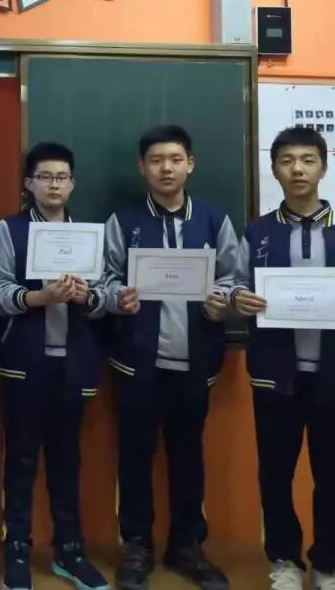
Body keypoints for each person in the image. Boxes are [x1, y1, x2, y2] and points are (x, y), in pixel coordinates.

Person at [228, 127, 335, 590]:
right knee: (275, 473)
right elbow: (233, 286)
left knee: (332, 476)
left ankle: (329, 565)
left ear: (323, 166)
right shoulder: (257, 232)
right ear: (274, 169)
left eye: (307, 160)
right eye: (286, 160)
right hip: (274, 374)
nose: (297, 169)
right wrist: (238, 298)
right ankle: (283, 561)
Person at [102, 125, 238, 590]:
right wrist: (118, 297)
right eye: (157, 160)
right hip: (138, 361)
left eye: (175, 159)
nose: (166, 168)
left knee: (188, 457)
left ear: (190, 165)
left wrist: (223, 300)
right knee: (135, 456)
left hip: (195, 361)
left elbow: (234, 276)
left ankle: (187, 545)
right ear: (142, 167)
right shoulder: (123, 221)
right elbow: (104, 277)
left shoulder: (214, 220)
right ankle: (137, 544)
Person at [0, 142, 109, 590]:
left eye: (62, 177)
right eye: (45, 177)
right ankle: (17, 548)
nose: (54, 184)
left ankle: (69, 550)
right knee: (20, 460)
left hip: (74, 364)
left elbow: (106, 295)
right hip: (24, 363)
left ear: (72, 184)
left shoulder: (88, 234)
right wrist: (40, 297)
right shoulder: (11, 230)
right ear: (29, 183)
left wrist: (88, 296)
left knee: (67, 460)